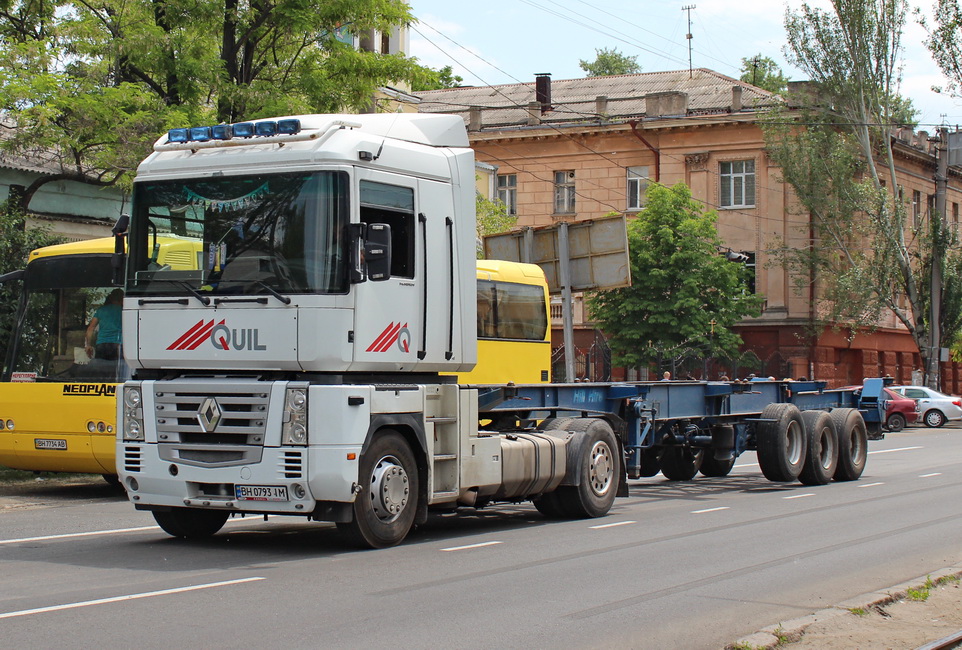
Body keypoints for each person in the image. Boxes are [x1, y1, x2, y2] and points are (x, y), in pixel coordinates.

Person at [85, 289, 124, 361]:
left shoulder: (101, 310)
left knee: (100, 369)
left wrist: (88, 345)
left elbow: (91, 328)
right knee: (116, 370)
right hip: (118, 344)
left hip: (101, 344)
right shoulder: (124, 311)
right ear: (122, 298)